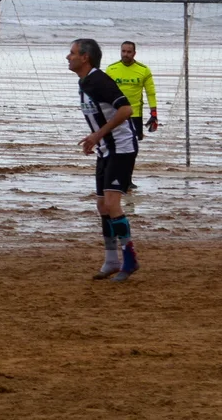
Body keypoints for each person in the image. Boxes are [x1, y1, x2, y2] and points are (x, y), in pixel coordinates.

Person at [67, 38, 140, 282]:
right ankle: (111, 261)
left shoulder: (99, 80)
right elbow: (100, 115)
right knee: (101, 206)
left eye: (72, 53)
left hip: (122, 148)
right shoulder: (84, 82)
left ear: (85, 57)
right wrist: (94, 139)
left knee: (111, 204)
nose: (68, 57)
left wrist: (98, 134)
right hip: (105, 149)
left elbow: (126, 110)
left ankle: (129, 260)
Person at [105, 41, 158, 141]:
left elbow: (150, 93)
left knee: (135, 142)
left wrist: (154, 113)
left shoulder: (144, 70)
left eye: (129, 52)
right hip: (116, 113)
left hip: (135, 113)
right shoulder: (111, 69)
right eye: (123, 51)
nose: (125, 54)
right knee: (116, 142)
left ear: (134, 53)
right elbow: (105, 92)